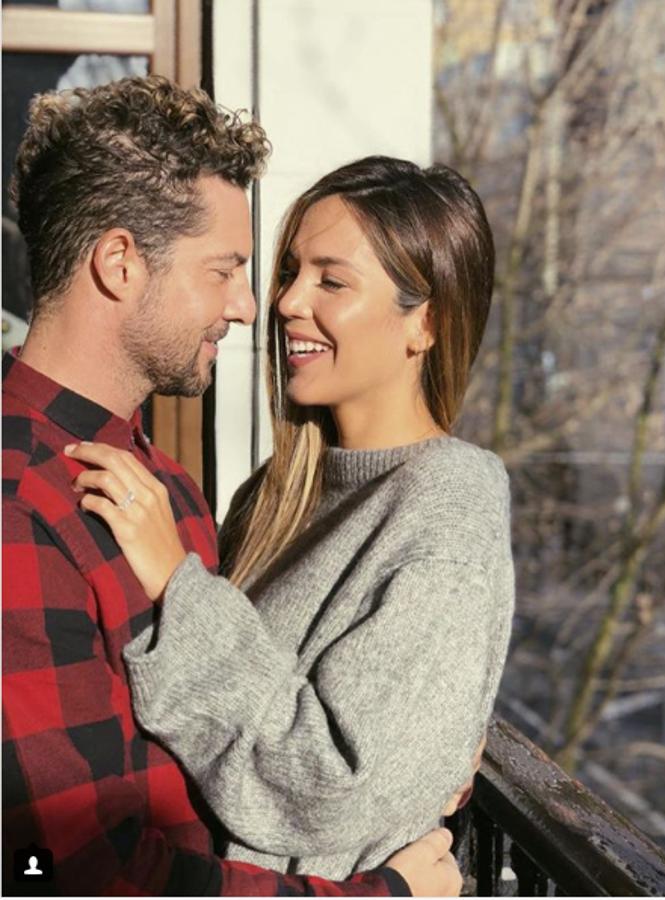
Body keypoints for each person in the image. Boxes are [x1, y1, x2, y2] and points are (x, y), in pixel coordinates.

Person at [2, 75, 462, 897]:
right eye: (226, 270)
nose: (252, 307)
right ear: (119, 263)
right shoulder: (14, 505)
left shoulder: (168, 490)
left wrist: (407, 756)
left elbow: (224, 747)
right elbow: (79, 876)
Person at [67, 156, 515, 879]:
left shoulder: (446, 505)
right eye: (290, 272)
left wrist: (181, 591)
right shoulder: (278, 492)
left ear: (425, 322)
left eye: (331, 281)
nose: (285, 303)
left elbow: (327, 791)